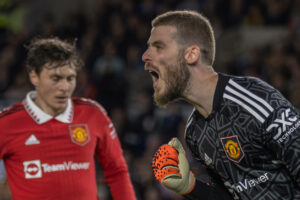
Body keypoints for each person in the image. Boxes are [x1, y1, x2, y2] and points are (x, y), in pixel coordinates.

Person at [143, 10, 300, 200]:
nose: (145, 56)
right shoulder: (195, 133)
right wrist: (190, 187)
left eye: (159, 47)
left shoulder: (252, 98)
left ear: (191, 54)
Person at [0, 37, 136, 200]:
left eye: (70, 78)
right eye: (55, 79)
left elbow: (117, 171)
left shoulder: (92, 115)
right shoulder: (7, 123)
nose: (64, 87)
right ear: (34, 76)